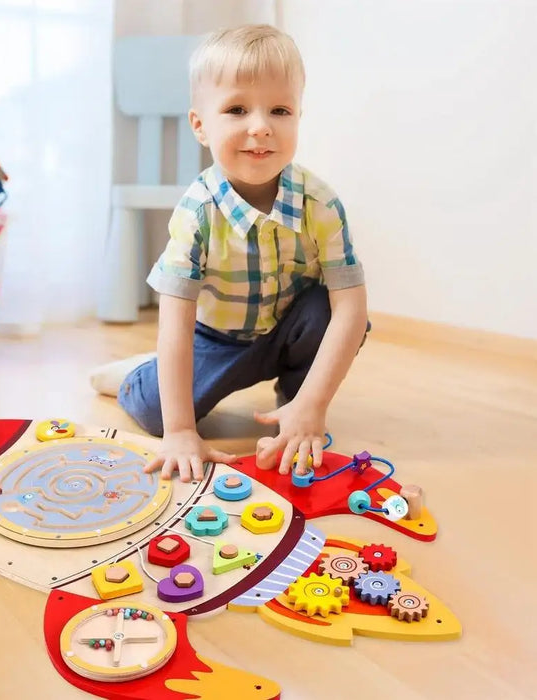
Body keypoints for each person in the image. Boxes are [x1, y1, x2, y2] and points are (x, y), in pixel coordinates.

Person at [91, 24, 369, 482]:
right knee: (157, 413)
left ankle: (296, 409)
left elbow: (351, 311)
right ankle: (136, 375)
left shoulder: (320, 203)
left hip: (287, 330)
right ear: (200, 125)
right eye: (237, 109)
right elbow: (175, 323)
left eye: (279, 110)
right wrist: (180, 430)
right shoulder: (197, 211)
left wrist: (312, 405)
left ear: (298, 116)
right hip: (216, 340)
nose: (260, 126)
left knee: (325, 307)